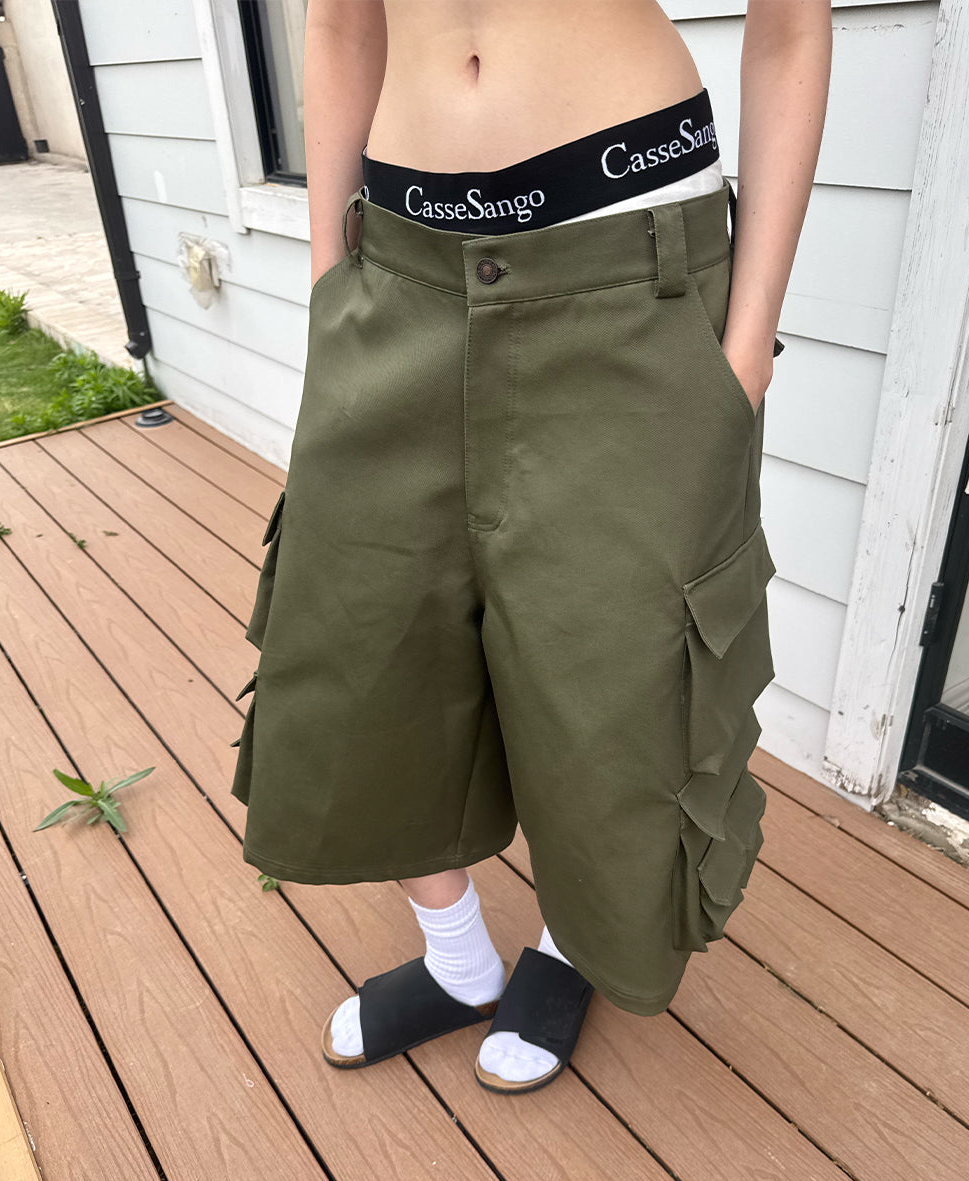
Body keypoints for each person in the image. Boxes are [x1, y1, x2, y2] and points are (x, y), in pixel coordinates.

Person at [230, 0, 833, 1094]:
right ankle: (456, 959)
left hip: (629, 268)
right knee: (364, 640)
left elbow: (790, 24)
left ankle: (569, 947)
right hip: (398, 271)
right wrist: (328, 272)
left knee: (609, 669)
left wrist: (747, 344)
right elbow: (339, 21)